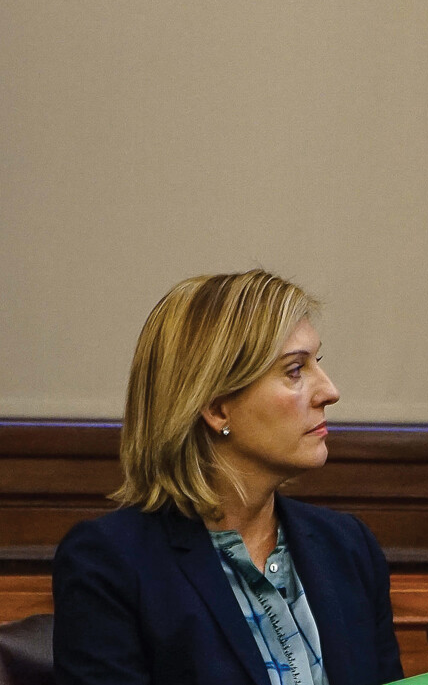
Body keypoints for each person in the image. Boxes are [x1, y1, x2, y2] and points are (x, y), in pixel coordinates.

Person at [53, 270, 402, 685]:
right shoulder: (110, 564)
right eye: (294, 370)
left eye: (317, 364)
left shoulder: (348, 547)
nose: (329, 391)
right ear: (218, 408)